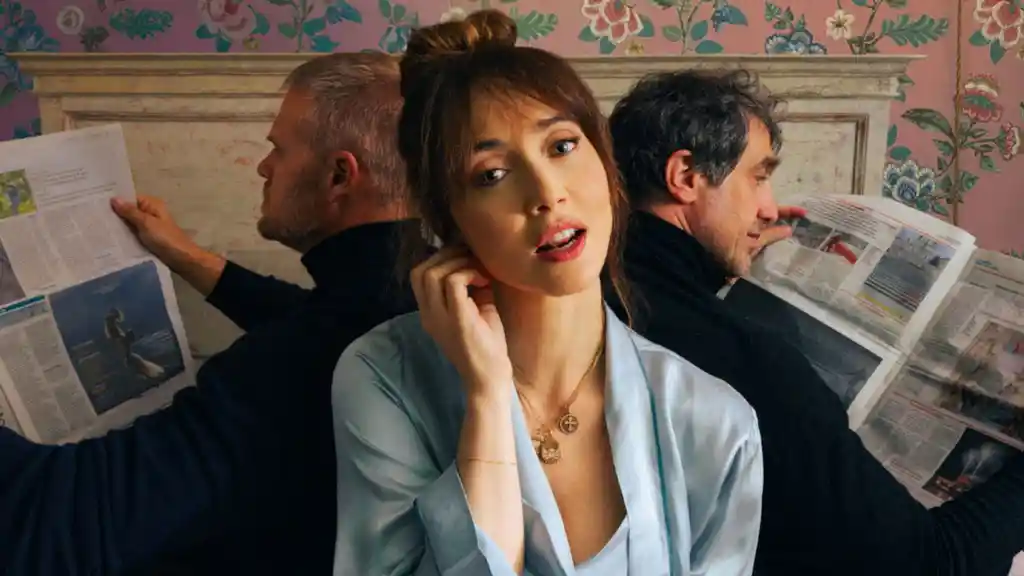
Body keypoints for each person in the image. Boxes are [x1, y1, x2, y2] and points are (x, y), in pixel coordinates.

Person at [330, 10, 764, 576]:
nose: (546, 192)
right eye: (491, 174)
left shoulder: (715, 423)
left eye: (561, 146)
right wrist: (487, 397)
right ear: (446, 219)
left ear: (606, 165)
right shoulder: (384, 376)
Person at [0, 52, 418, 575]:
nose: (264, 166)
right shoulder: (408, 294)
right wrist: (188, 257)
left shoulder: (296, 364)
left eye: (279, 149)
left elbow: (49, 522)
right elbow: (309, 312)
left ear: (339, 176)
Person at [606, 68, 1024, 576]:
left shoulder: (591, 301)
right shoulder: (753, 366)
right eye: (758, 177)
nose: (768, 208)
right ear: (687, 176)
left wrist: (716, 267)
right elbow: (932, 565)